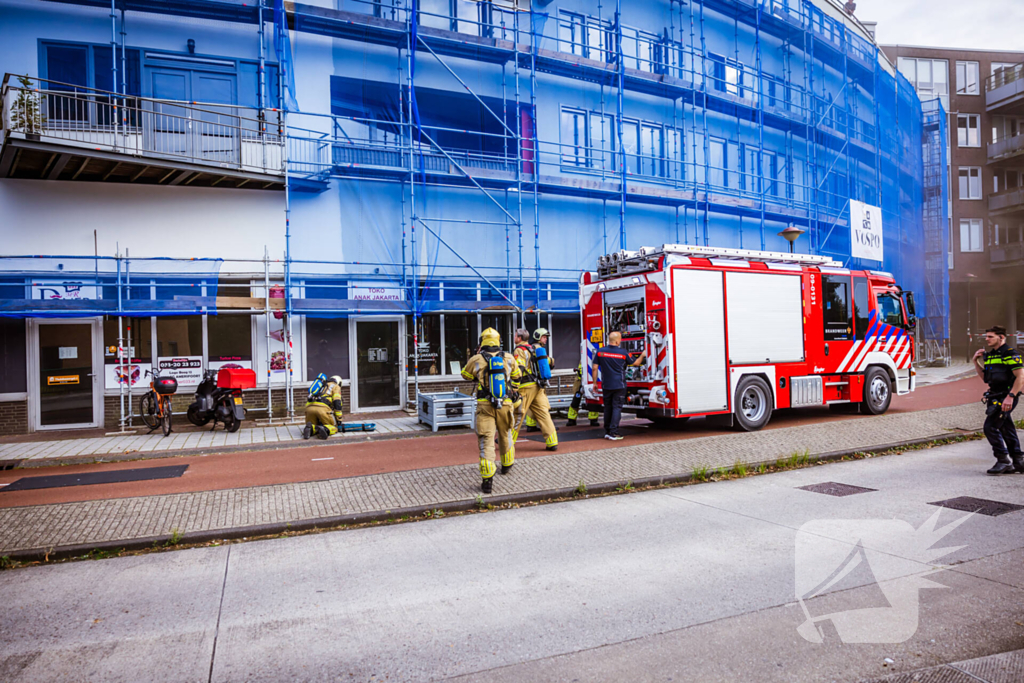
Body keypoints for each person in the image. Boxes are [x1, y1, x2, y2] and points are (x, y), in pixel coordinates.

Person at [461, 328, 522, 493]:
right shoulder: (508, 357)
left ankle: (487, 479)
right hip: (506, 403)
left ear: (482, 342)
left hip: (485, 405)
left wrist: (478, 374)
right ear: (498, 341)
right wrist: (513, 390)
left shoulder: (476, 359)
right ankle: (507, 465)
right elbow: (517, 376)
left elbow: (464, 375)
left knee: (486, 440)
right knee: (506, 434)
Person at [972, 325, 1024, 474]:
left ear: (1001, 337)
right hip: (994, 397)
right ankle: (1019, 461)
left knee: (990, 427)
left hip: (1006, 396)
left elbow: (1021, 377)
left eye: (990, 336)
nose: (986, 339)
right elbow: (986, 379)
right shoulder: (990, 355)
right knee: (1006, 427)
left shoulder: (1010, 353)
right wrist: (976, 362)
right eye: (986, 336)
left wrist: (1011, 397)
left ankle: (1003, 460)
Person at [591, 331, 645, 441]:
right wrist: (643, 355)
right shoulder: (623, 352)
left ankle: (607, 431)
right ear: (616, 341)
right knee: (616, 408)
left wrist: (595, 382)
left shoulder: (600, 352)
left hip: (606, 385)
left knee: (607, 407)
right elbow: (635, 363)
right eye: (620, 339)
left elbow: (594, 368)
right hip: (619, 385)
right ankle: (614, 432)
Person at [512, 328, 559, 451]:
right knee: (543, 414)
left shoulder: (519, 350)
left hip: (525, 387)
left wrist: (513, 386)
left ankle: (507, 440)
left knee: (518, 414)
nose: (514, 337)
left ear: (519, 338)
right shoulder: (535, 349)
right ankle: (552, 441)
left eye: (515, 335)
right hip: (538, 387)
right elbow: (550, 362)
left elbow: (519, 369)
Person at [303, 373, 344, 440]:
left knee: (315, 426)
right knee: (333, 427)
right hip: (323, 408)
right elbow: (337, 403)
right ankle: (325, 429)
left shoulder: (321, 385)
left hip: (309, 408)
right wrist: (339, 420)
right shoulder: (336, 386)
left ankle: (310, 429)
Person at [567, 361, 600, 427]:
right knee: (576, 400)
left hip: (592, 380)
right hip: (580, 381)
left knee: (593, 399)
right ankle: (571, 419)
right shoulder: (583, 358)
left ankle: (593, 419)